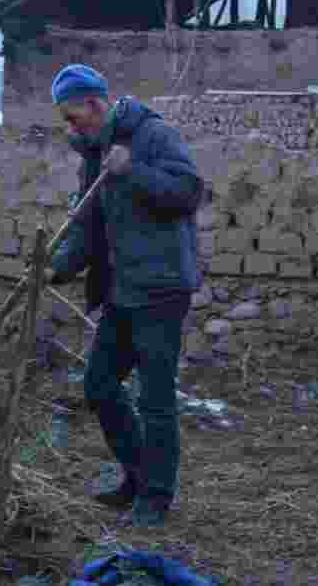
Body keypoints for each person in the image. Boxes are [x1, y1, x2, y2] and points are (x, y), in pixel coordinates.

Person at [31, 64, 204, 528]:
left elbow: (189, 191)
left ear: (95, 102)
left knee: (155, 398)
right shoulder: (93, 154)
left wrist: (135, 171)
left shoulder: (152, 134)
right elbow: (87, 227)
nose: (71, 128)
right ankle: (138, 474)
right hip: (122, 291)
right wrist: (56, 268)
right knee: (101, 386)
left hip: (161, 287)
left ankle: (156, 497)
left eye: (73, 117)